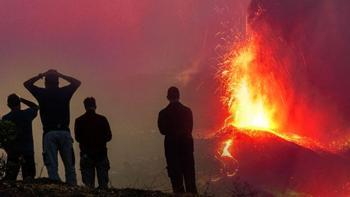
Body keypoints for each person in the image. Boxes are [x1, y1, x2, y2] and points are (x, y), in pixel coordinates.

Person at [24, 69, 81, 185]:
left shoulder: (42, 93)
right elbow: (77, 82)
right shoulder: (65, 92)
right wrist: (61, 74)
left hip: (49, 133)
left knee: (52, 167)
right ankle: (72, 188)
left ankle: (55, 188)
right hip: (64, 132)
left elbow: (27, 84)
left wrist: (41, 74)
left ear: (45, 82)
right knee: (70, 166)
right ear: (58, 82)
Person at [157, 87, 198, 194]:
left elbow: (162, 131)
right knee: (190, 181)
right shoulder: (187, 111)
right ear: (179, 96)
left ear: (167, 97)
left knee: (176, 182)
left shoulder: (163, 113)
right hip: (187, 150)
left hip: (172, 151)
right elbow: (190, 129)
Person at [74, 97, 112, 189]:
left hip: (86, 154)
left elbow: (78, 138)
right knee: (103, 186)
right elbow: (109, 137)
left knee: (89, 187)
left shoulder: (79, 120)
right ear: (95, 106)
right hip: (101, 154)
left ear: (85, 106)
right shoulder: (102, 119)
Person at [2, 94, 39, 181]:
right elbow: (35, 107)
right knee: (29, 177)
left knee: (10, 179)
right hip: (27, 151)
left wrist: (8, 150)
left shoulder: (6, 118)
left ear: (8, 105)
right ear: (19, 103)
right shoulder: (27, 114)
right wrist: (22, 99)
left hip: (13, 152)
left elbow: (4, 137)